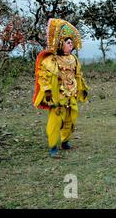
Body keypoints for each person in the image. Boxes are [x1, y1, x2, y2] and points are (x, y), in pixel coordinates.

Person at [33, 19, 89, 159]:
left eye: (72, 43)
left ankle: (65, 142)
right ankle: (53, 147)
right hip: (58, 95)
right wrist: (46, 90)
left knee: (71, 118)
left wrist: (83, 88)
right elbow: (43, 75)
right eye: (68, 43)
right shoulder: (51, 60)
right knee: (56, 119)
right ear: (60, 44)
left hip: (72, 94)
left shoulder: (74, 59)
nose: (71, 45)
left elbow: (78, 75)